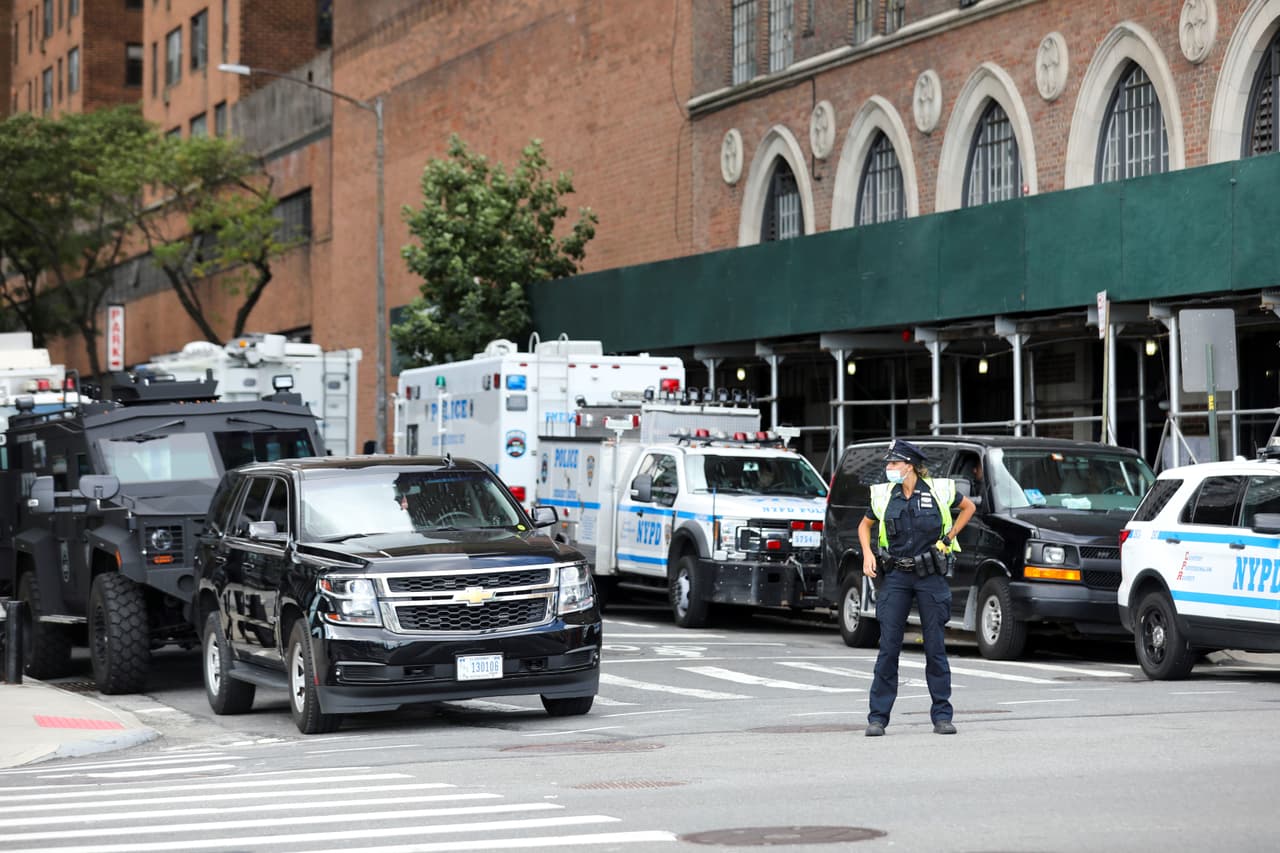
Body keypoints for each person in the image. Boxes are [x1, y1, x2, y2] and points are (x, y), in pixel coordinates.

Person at [857, 438, 976, 737]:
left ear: (909, 465)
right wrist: (868, 554)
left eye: (894, 463)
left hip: (930, 575)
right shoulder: (885, 495)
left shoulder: (939, 490)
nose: (889, 468)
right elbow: (864, 525)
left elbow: (969, 507)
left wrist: (949, 538)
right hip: (896, 575)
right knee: (888, 648)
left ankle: (942, 716)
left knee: (935, 648)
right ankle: (877, 718)